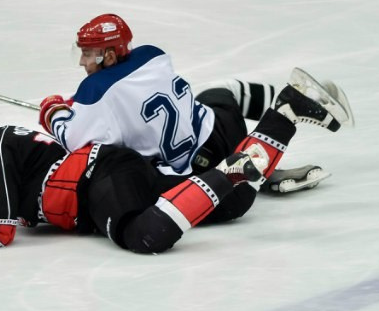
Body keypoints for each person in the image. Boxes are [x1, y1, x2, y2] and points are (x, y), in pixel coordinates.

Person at [0, 71, 345, 256]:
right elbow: (8, 202)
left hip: (103, 182)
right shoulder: (3, 144)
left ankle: (233, 168)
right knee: (230, 206)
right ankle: (284, 115)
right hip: (111, 171)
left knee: (144, 236)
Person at [38, 13, 355, 193]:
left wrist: (54, 110)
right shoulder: (152, 53)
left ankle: (283, 118)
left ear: (108, 55)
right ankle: (274, 127)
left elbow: (74, 140)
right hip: (223, 129)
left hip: (198, 168)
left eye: (88, 54)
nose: (82, 61)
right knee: (222, 91)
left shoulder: (95, 90)